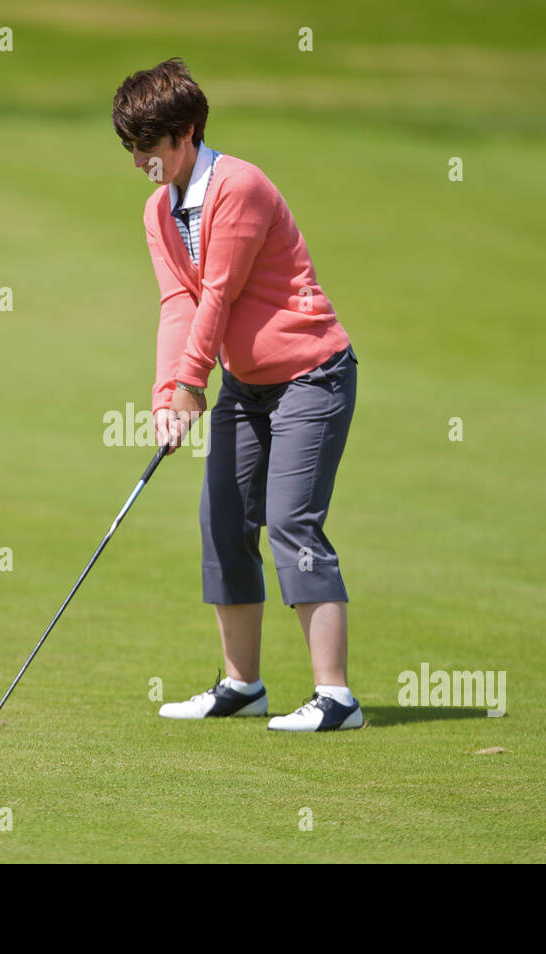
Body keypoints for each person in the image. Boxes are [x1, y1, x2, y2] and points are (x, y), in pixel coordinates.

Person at [112, 58, 362, 732]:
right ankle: (242, 685)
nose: (140, 161)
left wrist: (194, 382)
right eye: (131, 149)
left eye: (149, 147)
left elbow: (218, 294)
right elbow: (177, 304)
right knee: (222, 521)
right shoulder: (158, 211)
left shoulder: (240, 188)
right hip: (249, 388)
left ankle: (336, 698)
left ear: (186, 134)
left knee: (291, 522)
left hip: (313, 375)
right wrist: (168, 394)